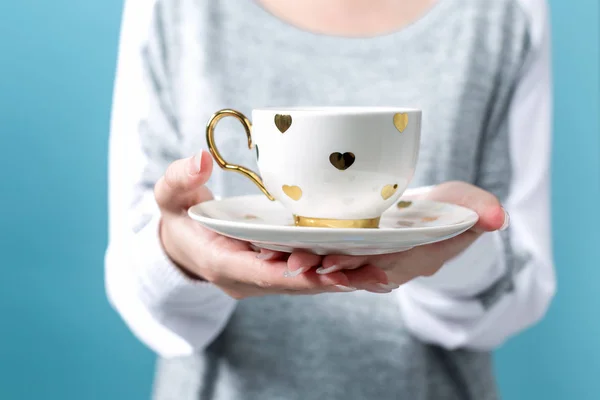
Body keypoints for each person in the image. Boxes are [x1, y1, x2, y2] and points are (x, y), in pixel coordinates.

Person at [105, 0, 555, 398]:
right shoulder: (168, 7)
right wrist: (180, 256)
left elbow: (523, 289)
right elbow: (133, 283)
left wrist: (454, 248)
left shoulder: (505, 10)